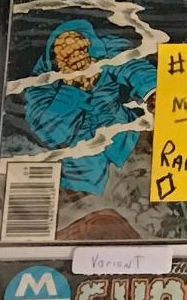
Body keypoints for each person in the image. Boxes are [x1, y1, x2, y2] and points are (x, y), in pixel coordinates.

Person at [21, 20, 157, 195]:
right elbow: (48, 129)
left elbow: (132, 64)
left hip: (124, 137)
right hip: (80, 160)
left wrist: (152, 91)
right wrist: (72, 91)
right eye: (68, 56)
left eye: (80, 50)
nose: (77, 59)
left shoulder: (105, 49)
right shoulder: (40, 81)